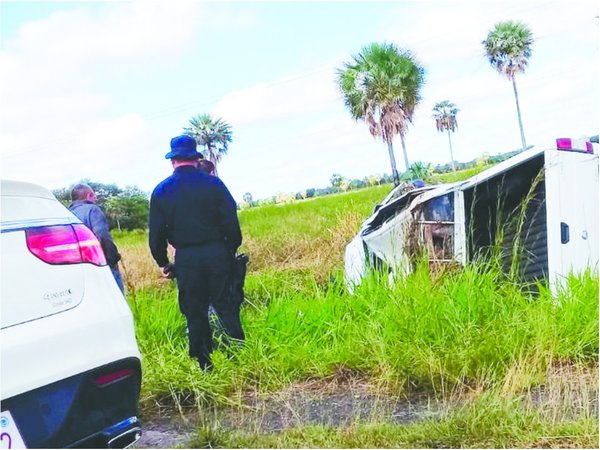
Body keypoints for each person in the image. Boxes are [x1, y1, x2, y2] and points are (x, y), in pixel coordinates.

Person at [149, 134, 244, 371]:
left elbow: (156, 236)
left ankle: (205, 364)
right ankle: (240, 357)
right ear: (195, 158)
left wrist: (164, 262)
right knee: (226, 305)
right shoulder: (214, 184)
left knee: (195, 311)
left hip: (187, 258)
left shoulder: (161, 191)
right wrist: (229, 250)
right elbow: (231, 223)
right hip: (217, 252)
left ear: (173, 160)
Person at [69, 183, 125, 294]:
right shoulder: (93, 210)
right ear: (90, 195)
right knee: (117, 300)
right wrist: (113, 259)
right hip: (100, 264)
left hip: (78, 268)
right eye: (94, 196)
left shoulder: (66, 214)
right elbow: (102, 236)